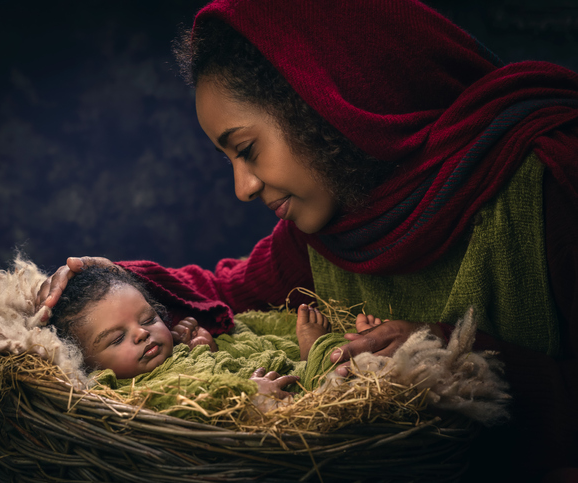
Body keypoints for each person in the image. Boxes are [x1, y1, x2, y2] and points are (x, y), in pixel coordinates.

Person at [37, 0, 578, 479]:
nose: (243, 188)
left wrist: (454, 358)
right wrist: (106, 279)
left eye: (246, 149)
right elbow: (226, 290)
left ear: (330, 104)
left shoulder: (552, 183)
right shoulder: (328, 233)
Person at [48, 264, 381, 398]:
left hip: (269, 370)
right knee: (321, 379)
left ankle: (326, 349)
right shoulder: (123, 395)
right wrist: (246, 395)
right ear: (85, 363)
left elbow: (243, 347)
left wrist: (206, 346)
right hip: (269, 396)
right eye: (117, 338)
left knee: (258, 340)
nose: (141, 334)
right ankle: (319, 357)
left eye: (149, 319)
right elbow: (194, 401)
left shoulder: (176, 348)